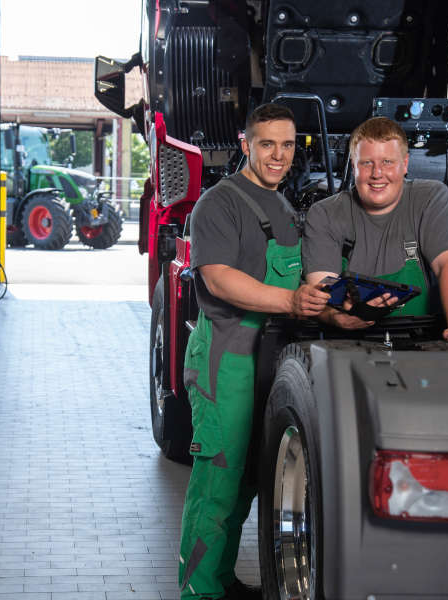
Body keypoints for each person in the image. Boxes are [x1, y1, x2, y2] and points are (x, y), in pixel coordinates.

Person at [178, 104, 329, 600]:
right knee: (217, 483)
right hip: (226, 359)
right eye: (267, 144)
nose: (278, 155)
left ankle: (220, 580)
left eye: (287, 145)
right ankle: (198, 591)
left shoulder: (283, 206)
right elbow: (218, 277)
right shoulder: (220, 204)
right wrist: (290, 300)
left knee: (246, 482)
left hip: (267, 359)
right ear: (246, 145)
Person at [303, 116, 448, 342]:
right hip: (348, 345)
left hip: (420, 343)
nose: (377, 173)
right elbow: (321, 291)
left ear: (404, 164)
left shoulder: (431, 199)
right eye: (366, 163)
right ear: (353, 165)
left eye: (387, 162)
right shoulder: (325, 214)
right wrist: (336, 317)